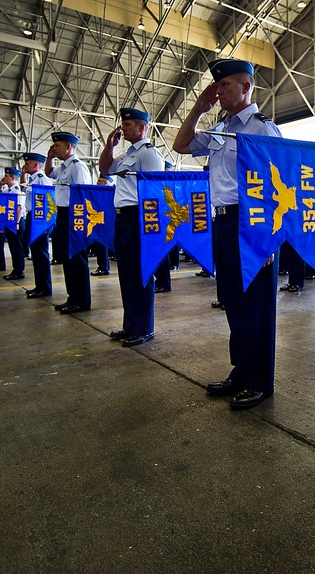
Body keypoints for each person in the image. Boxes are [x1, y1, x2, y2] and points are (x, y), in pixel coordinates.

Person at [173, 58, 282, 411]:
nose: (218, 92)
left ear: (246, 87)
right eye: (216, 87)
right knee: (234, 301)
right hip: (222, 221)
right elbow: (181, 144)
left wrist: (268, 236)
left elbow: (277, 183)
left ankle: (261, 380)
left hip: (252, 223)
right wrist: (197, 108)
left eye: (225, 86)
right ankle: (242, 369)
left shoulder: (262, 128)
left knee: (258, 303)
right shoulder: (220, 129)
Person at [99, 107, 166, 346]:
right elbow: (105, 169)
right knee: (127, 275)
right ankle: (130, 326)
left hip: (139, 216)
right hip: (123, 217)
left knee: (141, 274)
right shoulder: (127, 154)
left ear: (141, 127)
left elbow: (155, 192)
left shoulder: (149, 154)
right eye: (123, 125)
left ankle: (144, 328)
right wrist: (110, 146)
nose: (123, 128)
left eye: (128, 125)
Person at [46, 131, 92, 314]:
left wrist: (78, 220)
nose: (54, 148)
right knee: (67, 258)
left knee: (77, 259)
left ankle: (82, 300)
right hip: (63, 213)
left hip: (75, 214)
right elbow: (49, 172)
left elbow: (83, 194)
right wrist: (49, 158)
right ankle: (73, 297)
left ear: (69, 147)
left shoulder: (77, 167)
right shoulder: (64, 167)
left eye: (58, 146)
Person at [22, 153, 54, 298]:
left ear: (36, 165)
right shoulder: (32, 179)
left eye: (27, 164)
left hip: (40, 219)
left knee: (41, 253)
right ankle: (39, 285)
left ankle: (45, 287)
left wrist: (45, 223)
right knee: (35, 252)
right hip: (32, 216)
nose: (24, 166)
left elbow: (49, 201)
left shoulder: (42, 180)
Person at [0, 167, 26, 280]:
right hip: (9, 222)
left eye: (6, 176)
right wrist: (0, 185)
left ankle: (19, 271)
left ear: (12, 178)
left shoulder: (17, 191)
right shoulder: (7, 191)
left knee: (17, 247)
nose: (4, 178)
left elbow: (19, 208)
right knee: (12, 247)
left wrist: (17, 222)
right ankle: (16, 269)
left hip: (16, 221)